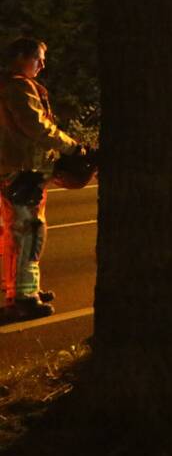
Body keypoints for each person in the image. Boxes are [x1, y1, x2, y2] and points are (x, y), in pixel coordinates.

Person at [0, 37, 80, 321]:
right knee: (28, 232)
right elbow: (36, 126)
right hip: (22, 172)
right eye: (38, 58)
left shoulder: (9, 86)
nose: (43, 64)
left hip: (16, 171)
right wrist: (72, 147)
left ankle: (21, 289)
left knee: (18, 233)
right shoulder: (18, 88)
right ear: (21, 56)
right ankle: (23, 299)